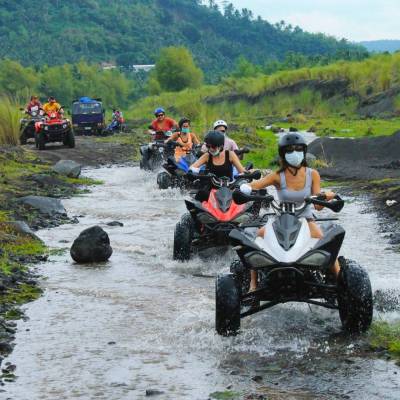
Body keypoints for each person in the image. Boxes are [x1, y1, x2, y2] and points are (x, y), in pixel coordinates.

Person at [239, 132, 338, 292]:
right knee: (257, 238)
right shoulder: (278, 175)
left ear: (304, 152)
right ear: (283, 154)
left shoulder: (312, 174)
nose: (294, 153)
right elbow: (258, 184)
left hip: (306, 219)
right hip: (281, 219)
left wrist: (327, 196)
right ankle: (253, 285)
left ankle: (341, 281)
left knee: (325, 243)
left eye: (298, 149)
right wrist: (245, 187)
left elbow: (318, 206)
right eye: (290, 150)